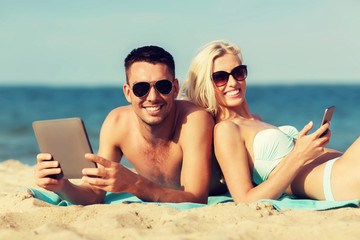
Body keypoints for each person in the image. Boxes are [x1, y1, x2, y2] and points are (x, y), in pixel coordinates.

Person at [181, 40, 360, 204]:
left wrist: (310, 146)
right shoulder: (226, 130)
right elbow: (244, 200)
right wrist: (299, 154)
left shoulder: (255, 120)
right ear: (206, 84)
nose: (233, 82)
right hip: (336, 180)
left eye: (238, 72)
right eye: (220, 77)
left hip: (341, 167)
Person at [34, 45, 217, 205]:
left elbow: (196, 198)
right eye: (141, 88)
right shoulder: (117, 123)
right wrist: (62, 186)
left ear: (175, 89)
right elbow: (94, 194)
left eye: (162, 86)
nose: (152, 97)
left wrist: (134, 184)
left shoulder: (194, 120)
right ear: (128, 93)